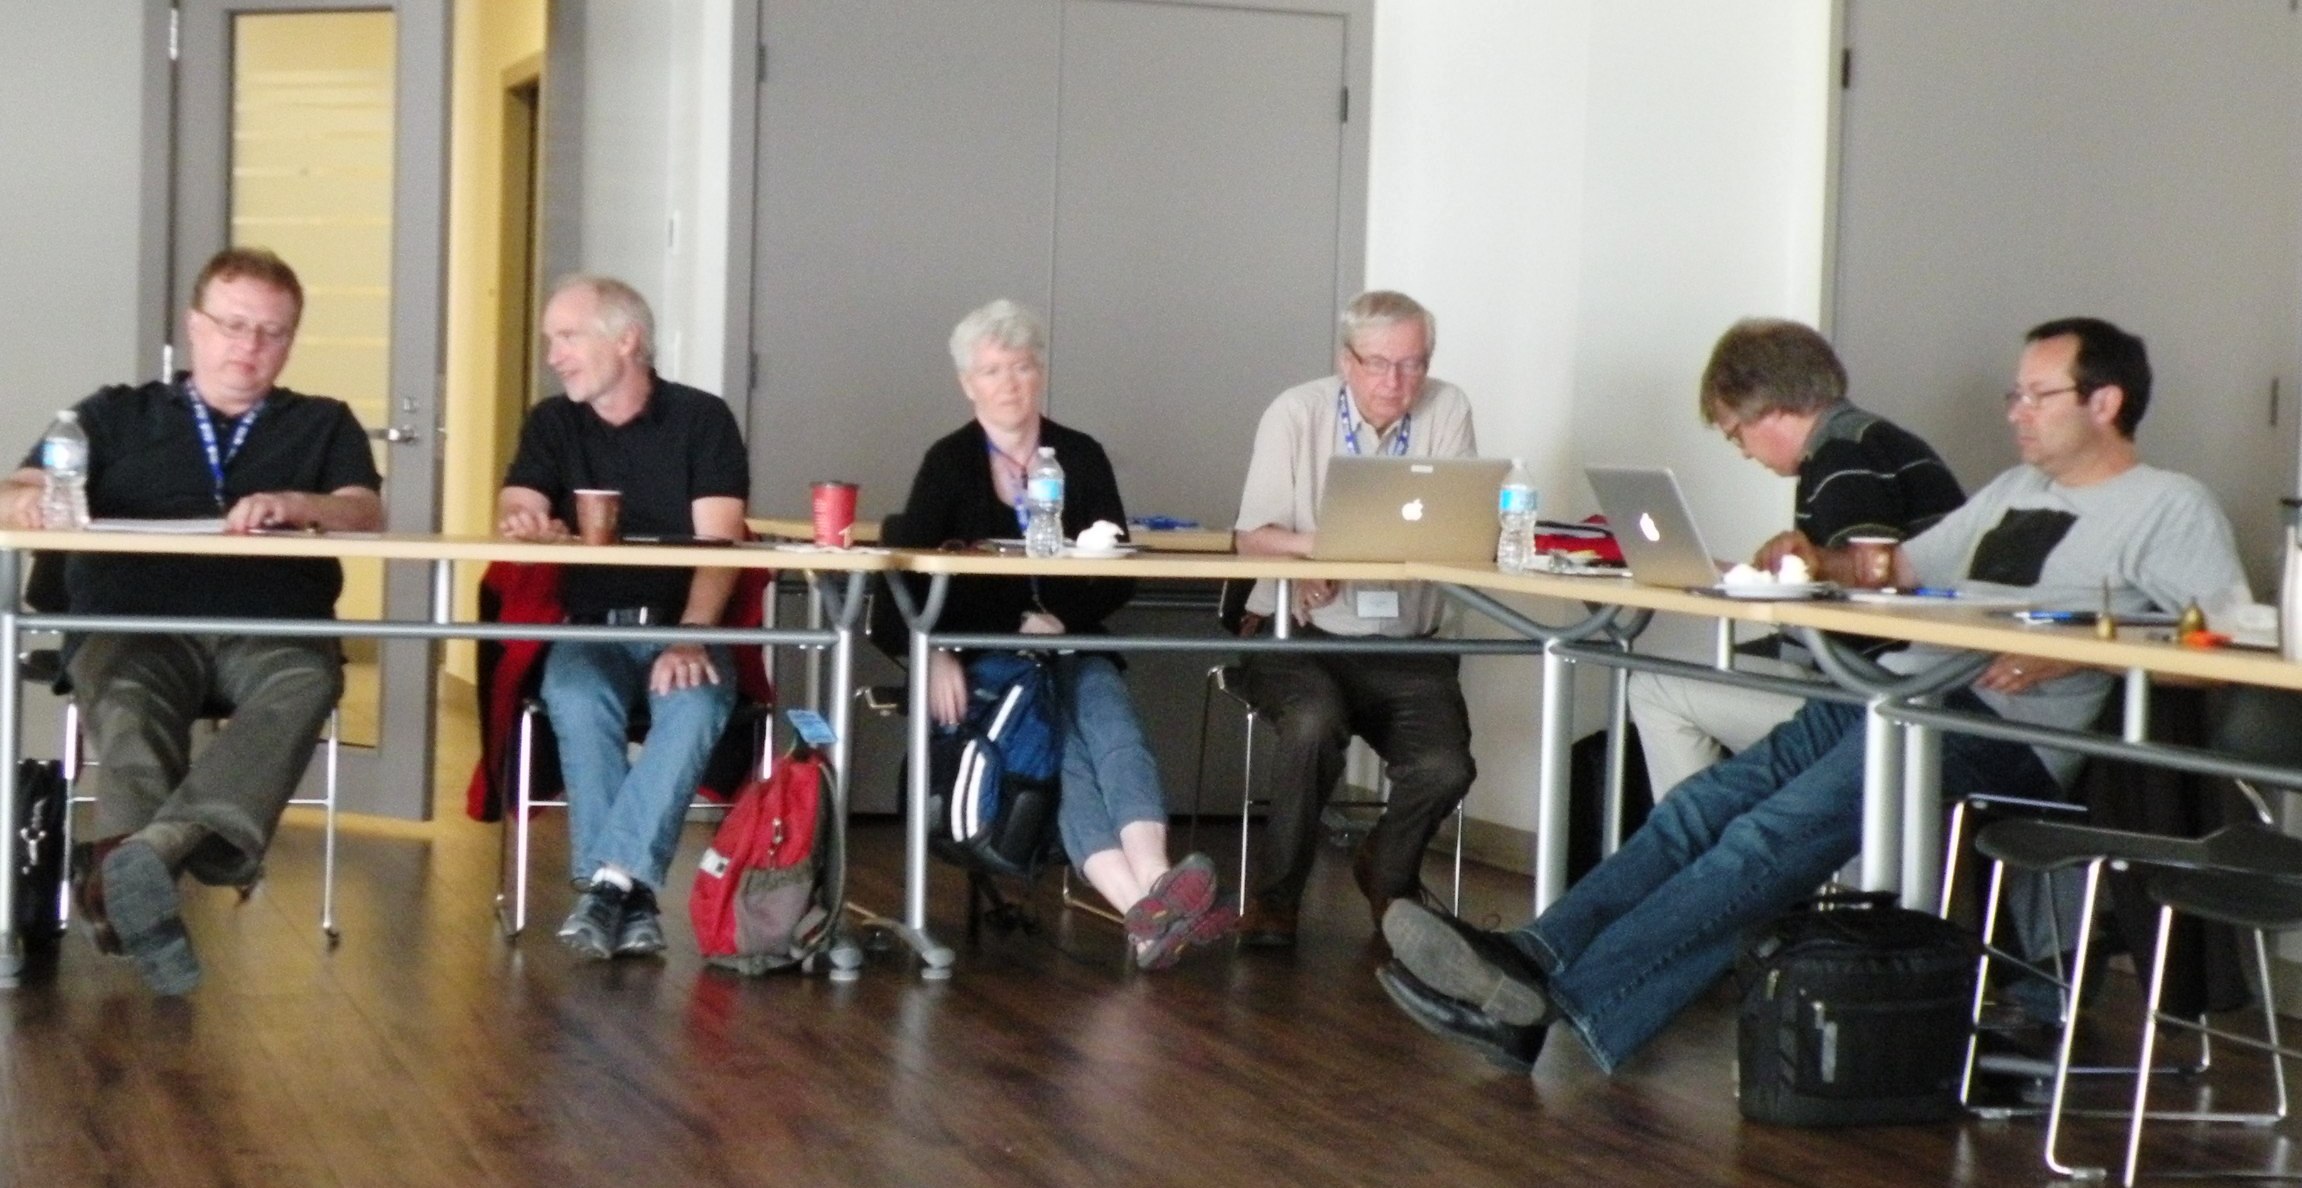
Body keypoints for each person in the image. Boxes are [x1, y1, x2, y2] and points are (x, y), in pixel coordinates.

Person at [1377, 317, 2247, 1073]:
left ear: (2105, 402)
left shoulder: (2170, 507)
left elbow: (2220, 648)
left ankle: (1557, 1004)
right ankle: (1534, 955)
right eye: (2014, 394)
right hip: (1900, 690)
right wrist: (1816, 558)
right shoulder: (2018, 491)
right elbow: (1903, 567)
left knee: (1765, 838)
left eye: (2037, 395)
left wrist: (2075, 653)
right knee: (1702, 806)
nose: (2016, 411)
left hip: (1995, 726)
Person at [0, 247, 383, 995]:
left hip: (271, 628)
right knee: (127, 700)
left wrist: (297, 505)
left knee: (307, 680)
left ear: (291, 340)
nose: (250, 346)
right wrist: (30, 502)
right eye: (234, 325)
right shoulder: (113, 413)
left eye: (271, 331)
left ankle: (133, 867)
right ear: (195, 325)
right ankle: (163, 862)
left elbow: (363, 511)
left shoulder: (322, 422)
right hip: (135, 624)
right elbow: (17, 488)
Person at [872, 299, 1231, 970]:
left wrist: (1061, 618)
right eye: (992, 371)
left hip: (1071, 644)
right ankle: (1152, 909)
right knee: (1064, 758)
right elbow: (899, 590)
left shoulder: (1081, 456)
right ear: (968, 384)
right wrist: (936, 652)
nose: (1009, 384)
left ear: (1040, 373)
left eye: (1021, 367)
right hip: (989, 660)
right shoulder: (948, 464)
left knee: (1113, 729)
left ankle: (1153, 893)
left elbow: (1118, 574)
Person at [497, 274, 750, 961]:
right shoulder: (552, 422)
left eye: (568, 336)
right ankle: (628, 893)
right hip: (591, 626)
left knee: (696, 702)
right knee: (576, 694)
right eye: (552, 339)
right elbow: (518, 498)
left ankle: (606, 887)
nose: (554, 354)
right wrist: (524, 519)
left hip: (683, 622)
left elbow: (721, 543)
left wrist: (691, 635)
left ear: (628, 340)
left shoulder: (702, 418)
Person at [1231, 290, 1479, 948]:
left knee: (1446, 766)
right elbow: (1252, 537)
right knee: (1313, 724)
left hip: (1405, 644)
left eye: (1413, 363)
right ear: (1346, 360)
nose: (1397, 381)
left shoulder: (1447, 408)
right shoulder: (1297, 412)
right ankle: (1276, 902)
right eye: (1379, 364)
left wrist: (1350, 550)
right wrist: (1310, 552)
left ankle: (1386, 872)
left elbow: (1457, 528)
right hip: (1298, 637)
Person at [1628, 318, 1965, 794]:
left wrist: (1766, 583)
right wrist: (1735, 575)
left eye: (1735, 433)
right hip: (1904, 681)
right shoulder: (1870, 440)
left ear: (1770, 408)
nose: (1743, 452)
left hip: (1877, 694)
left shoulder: (1841, 457)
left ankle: (1697, 833)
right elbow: (1845, 574)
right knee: (1689, 673)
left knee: (1656, 687)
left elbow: (1867, 594)